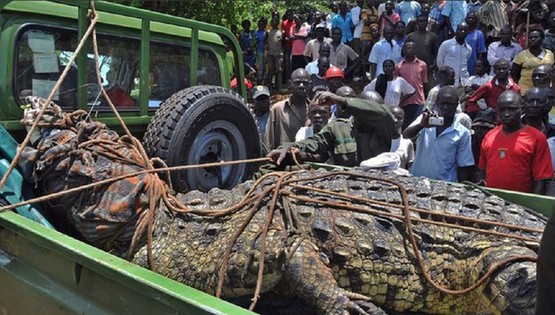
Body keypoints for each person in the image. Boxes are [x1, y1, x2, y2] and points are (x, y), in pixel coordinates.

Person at [267, 90, 400, 167]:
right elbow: (313, 143)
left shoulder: (384, 127)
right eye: (365, 112)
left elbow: (383, 114)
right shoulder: (338, 128)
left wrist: (342, 100)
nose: (370, 117)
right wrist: (288, 147)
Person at [478, 90, 553, 194]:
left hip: (520, 204)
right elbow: (482, 170)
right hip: (491, 202)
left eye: (512, 109)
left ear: (521, 108)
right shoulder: (489, 136)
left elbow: (541, 180)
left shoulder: (537, 138)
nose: (507, 114)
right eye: (502, 110)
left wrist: (533, 205)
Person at [403, 86, 475, 182]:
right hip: (417, 181)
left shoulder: (462, 133)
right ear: (437, 103)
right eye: (443, 104)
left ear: (457, 105)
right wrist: (421, 125)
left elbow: (463, 166)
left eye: (450, 104)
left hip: (444, 186)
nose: (446, 108)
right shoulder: (425, 120)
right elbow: (405, 135)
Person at [264, 68, 311, 150]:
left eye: (305, 83)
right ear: (290, 84)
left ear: (310, 85)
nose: (301, 86)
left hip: (310, 161)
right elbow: (269, 142)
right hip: (283, 160)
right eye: (297, 83)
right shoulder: (278, 109)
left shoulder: (317, 111)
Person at [512, 28, 555, 94]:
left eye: (536, 37)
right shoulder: (521, 55)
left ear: (542, 38)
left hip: (546, 89)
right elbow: (514, 74)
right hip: (526, 90)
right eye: (530, 37)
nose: (533, 39)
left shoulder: (550, 54)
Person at [396, 40, 427, 128]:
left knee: (418, 125)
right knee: (405, 126)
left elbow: (424, 83)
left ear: (416, 50)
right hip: (404, 102)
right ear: (404, 50)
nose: (411, 50)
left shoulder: (422, 65)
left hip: (418, 100)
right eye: (408, 48)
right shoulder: (399, 67)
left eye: (413, 48)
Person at [407, 14, 439, 90]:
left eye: (424, 21)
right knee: (413, 89)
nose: (422, 23)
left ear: (427, 23)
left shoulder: (433, 36)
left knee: (428, 89)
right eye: (420, 21)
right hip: (413, 68)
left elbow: (437, 53)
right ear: (417, 23)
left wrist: (434, 65)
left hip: (428, 69)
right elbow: (404, 52)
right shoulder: (411, 36)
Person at [436, 22, 472, 88]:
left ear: (468, 32)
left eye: (465, 30)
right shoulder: (446, 44)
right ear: (456, 30)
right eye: (460, 29)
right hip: (449, 82)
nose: (462, 31)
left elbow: (466, 60)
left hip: (463, 82)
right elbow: (440, 63)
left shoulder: (468, 48)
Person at [470, 108, 497, 182]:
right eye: (477, 128)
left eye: (484, 128)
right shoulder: (469, 142)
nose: (479, 131)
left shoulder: (497, 145)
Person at [267, 16, 284, 93]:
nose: (273, 23)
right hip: (270, 54)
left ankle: (279, 88)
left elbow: (283, 43)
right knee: (270, 71)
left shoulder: (281, 32)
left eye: (275, 21)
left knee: (279, 71)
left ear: (277, 23)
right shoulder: (268, 32)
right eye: (272, 21)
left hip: (278, 54)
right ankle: (270, 87)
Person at [255, 18, 268, 85]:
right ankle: (259, 81)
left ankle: (265, 81)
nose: (261, 26)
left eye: (262, 24)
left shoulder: (266, 32)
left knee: (266, 66)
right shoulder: (256, 33)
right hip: (259, 51)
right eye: (259, 24)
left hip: (265, 51)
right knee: (260, 67)